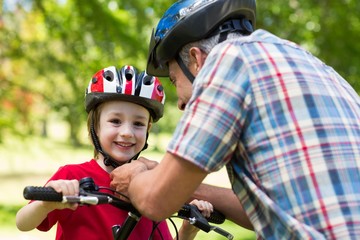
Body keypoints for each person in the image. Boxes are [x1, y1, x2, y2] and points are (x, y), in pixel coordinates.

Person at [109, 0, 360, 239]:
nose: (181, 103)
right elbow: (269, 213)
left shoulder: (228, 62)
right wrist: (170, 178)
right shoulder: (315, 67)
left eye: (175, 81)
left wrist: (136, 176)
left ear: (197, 60)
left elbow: (156, 200)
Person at [16, 65, 215, 240]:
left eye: (138, 124)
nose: (127, 132)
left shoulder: (149, 186)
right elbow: (23, 223)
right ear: (96, 126)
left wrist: (188, 231)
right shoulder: (72, 178)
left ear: (147, 130)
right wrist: (46, 204)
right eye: (115, 121)